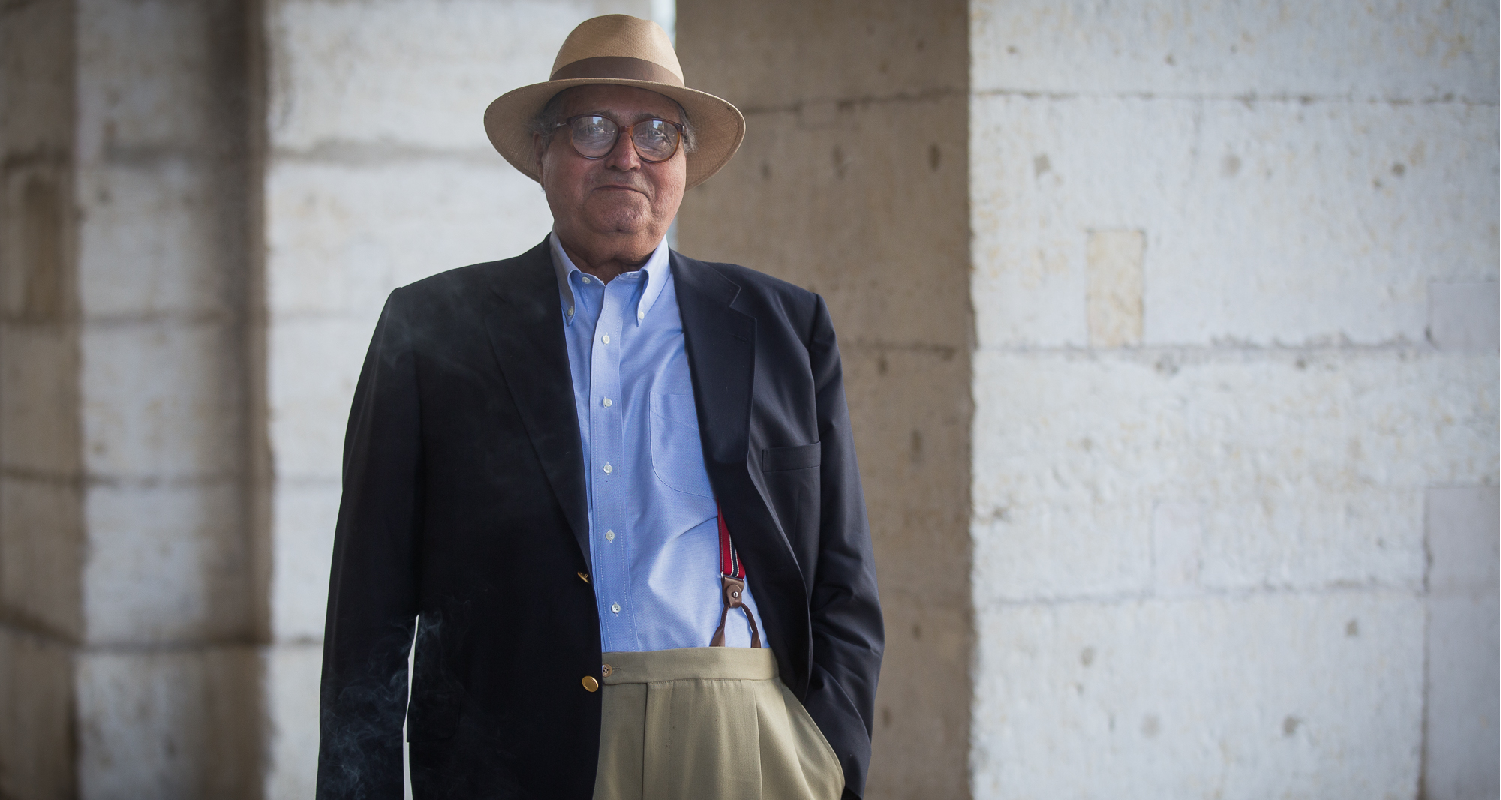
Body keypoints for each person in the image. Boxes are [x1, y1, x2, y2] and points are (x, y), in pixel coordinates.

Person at [316, 15, 883, 800]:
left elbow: (842, 574)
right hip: (508, 749)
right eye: (591, 128)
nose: (626, 155)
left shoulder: (783, 326)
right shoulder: (430, 327)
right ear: (541, 153)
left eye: (656, 132)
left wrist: (832, 751)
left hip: (741, 740)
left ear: (683, 161)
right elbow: (369, 599)